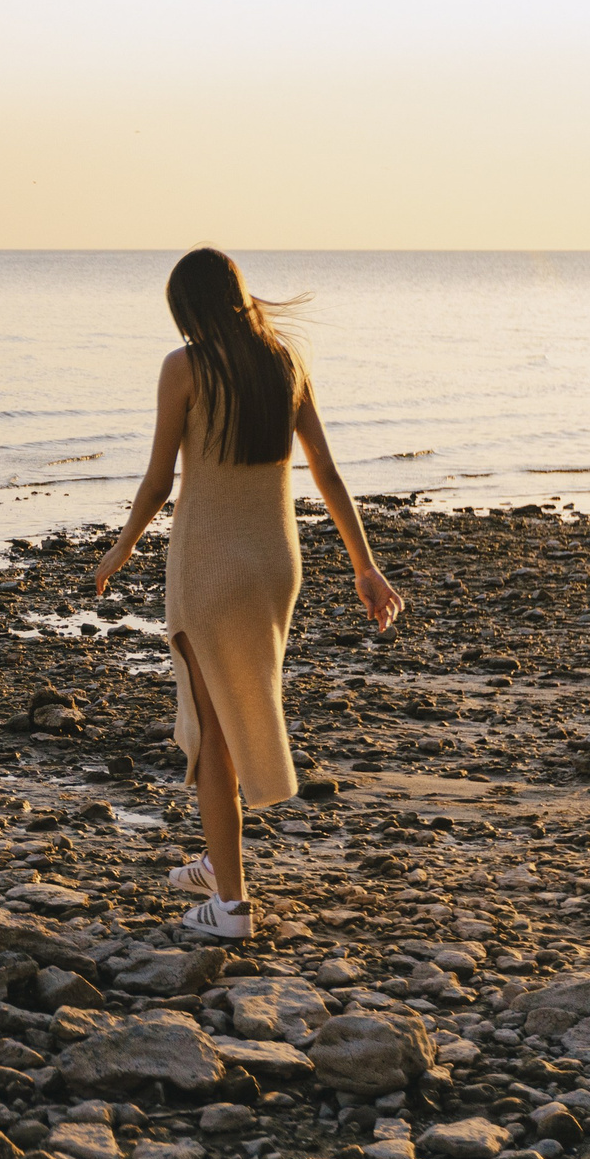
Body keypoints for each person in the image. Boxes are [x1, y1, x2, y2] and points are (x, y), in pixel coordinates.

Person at [90, 248, 403, 939]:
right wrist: (365, 566)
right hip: (274, 565)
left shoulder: (186, 368)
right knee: (234, 709)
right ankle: (215, 859)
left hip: (211, 567)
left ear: (190, 309)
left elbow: (157, 481)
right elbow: (326, 470)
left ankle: (229, 907)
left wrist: (122, 547)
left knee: (212, 732)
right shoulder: (285, 361)